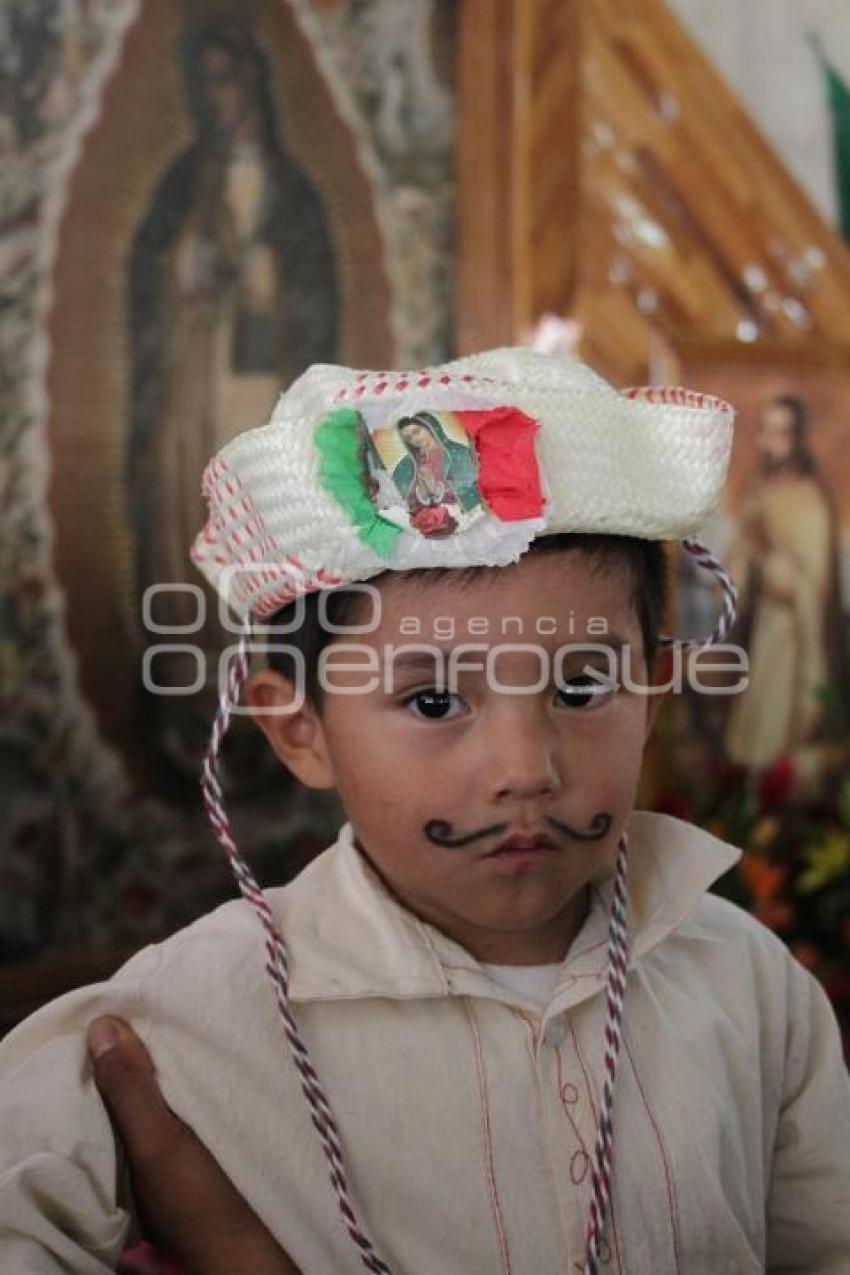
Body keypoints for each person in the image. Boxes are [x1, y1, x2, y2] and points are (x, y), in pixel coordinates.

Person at [1, 349, 849, 1274]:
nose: (526, 769)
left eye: (583, 686)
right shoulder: (185, 1021)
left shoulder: (749, 985)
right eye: (436, 702)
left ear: (652, 691)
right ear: (302, 731)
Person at [724, 394, 847, 769]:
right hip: (761, 629)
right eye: (766, 431)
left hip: (794, 639)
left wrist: (771, 562)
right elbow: (737, 564)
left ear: (795, 440)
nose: (769, 441)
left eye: (779, 433)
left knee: (778, 735)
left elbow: (813, 584)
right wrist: (745, 562)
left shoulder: (808, 500)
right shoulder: (760, 493)